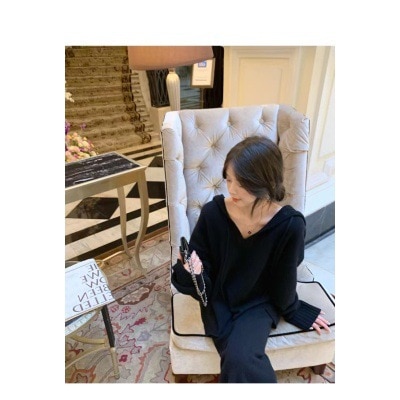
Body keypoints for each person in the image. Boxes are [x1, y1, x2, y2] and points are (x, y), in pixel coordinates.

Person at [171, 136, 331, 383]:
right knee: (238, 358)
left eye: (242, 182)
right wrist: (193, 271)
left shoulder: (289, 225)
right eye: (229, 179)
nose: (232, 189)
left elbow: (285, 277)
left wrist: (294, 310)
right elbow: (201, 273)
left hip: (259, 302)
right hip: (219, 299)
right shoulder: (213, 213)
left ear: (264, 181)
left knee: (240, 358)